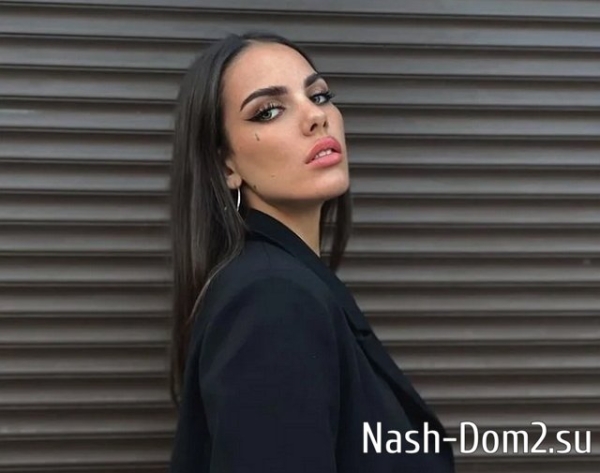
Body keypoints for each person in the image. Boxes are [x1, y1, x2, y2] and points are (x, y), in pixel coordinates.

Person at [168, 31, 455, 473]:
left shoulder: (284, 285)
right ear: (226, 165)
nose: (315, 117)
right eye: (269, 110)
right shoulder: (271, 299)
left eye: (319, 96)